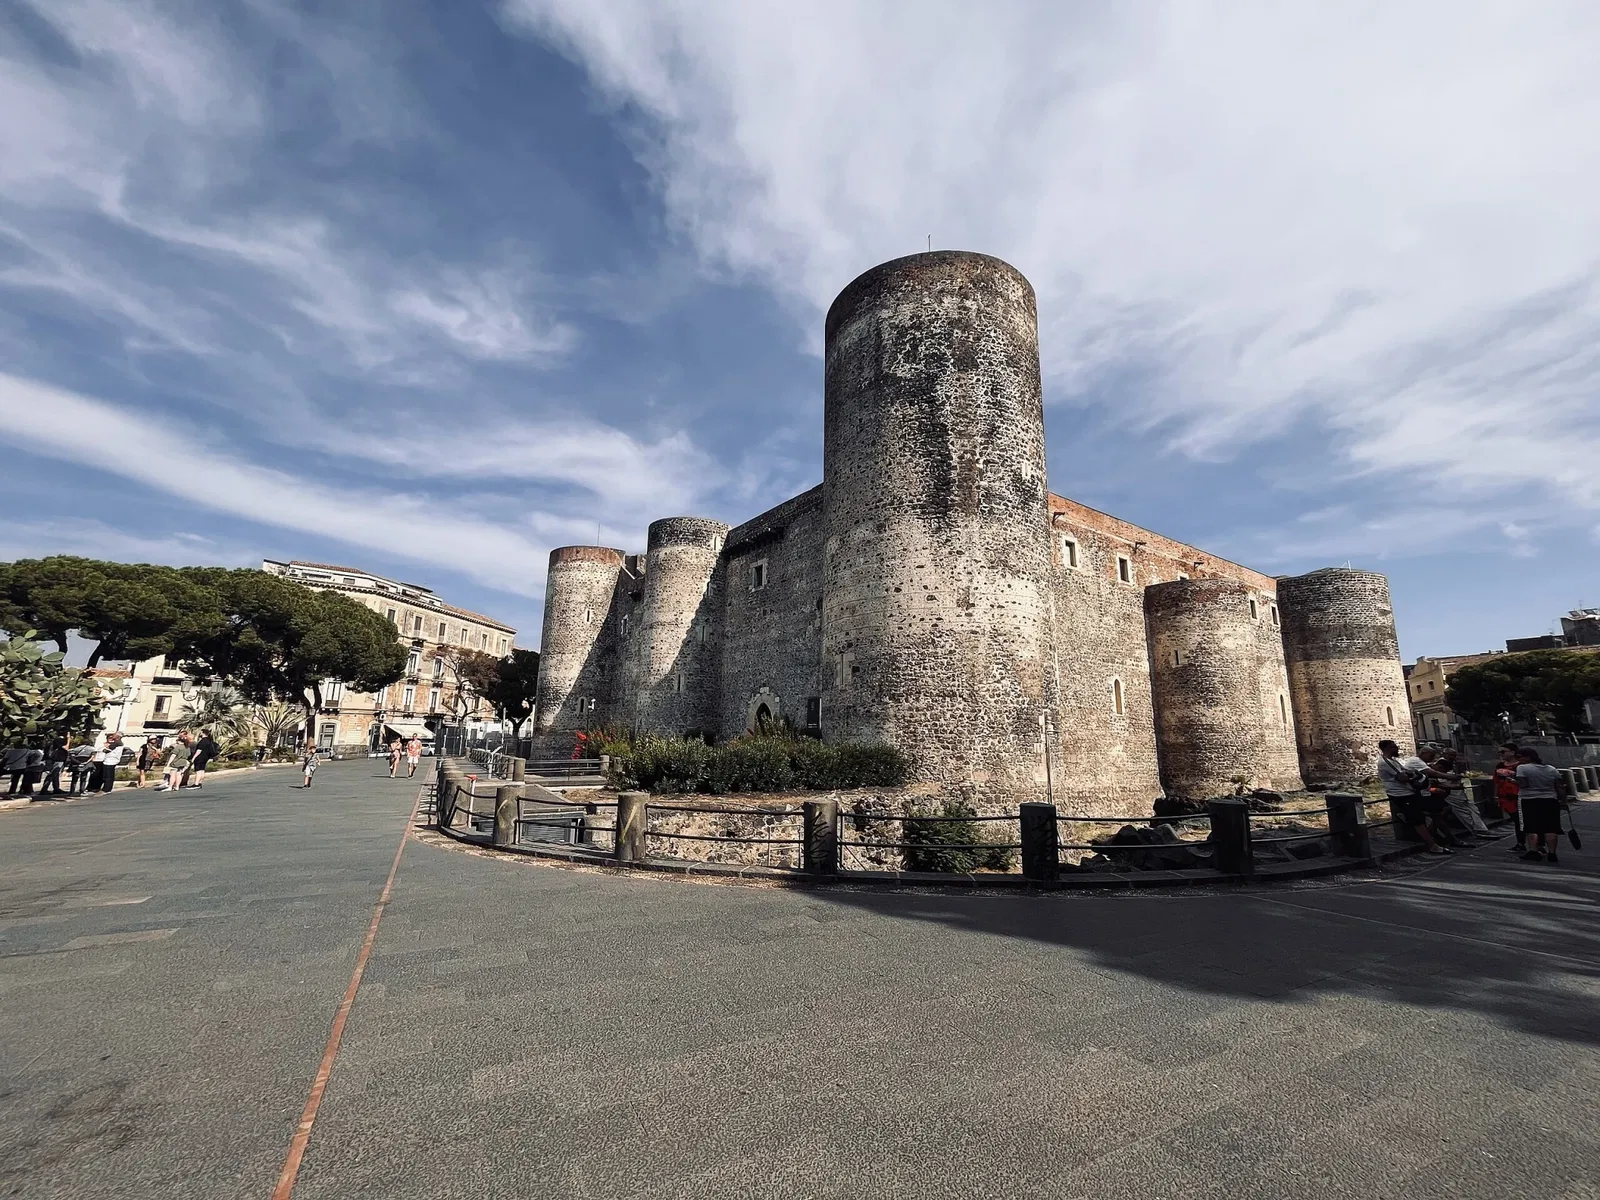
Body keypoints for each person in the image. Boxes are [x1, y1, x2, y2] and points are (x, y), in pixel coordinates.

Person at [1376, 740, 1451, 854]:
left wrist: (1414, 774)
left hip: (1409, 793)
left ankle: (1432, 838)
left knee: (1431, 812)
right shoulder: (1386, 762)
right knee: (1417, 820)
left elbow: (1407, 772)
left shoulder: (1394, 761)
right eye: (1394, 747)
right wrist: (1417, 777)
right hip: (1402, 794)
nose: (1397, 748)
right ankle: (1432, 845)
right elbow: (1403, 777)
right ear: (1386, 748)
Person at [1514, 747, 1565, 863]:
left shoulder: (1522, 768)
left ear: (1527, 757)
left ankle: (1533, 851)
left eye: (1519, 757)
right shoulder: (1551, 769)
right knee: (1551, 828)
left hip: (1529, 800)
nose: (1518, 760)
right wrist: (1563, 801)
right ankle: (1552, 854)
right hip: (1550, 799)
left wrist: (1513, 781)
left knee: (1531, 827)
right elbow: (1560, 786)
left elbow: (1524, 784)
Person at [1429, 748, 1490, 838]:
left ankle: (1481, 828)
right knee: (1463, 810)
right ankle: (1477, 829)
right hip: (1451, 791)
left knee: (1472, 808)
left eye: (1454, 755)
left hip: (1456, 789)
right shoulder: (1441, 764)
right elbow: (1442, 779)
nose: (1453, 757)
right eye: (1451, 755)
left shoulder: (1452, 764)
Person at [1492, 743, 1522, 846]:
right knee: (1516, 819)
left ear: (1512, 752)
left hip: (1520, 795)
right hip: (1505, 797)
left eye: (1503, 752)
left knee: (1521, 820)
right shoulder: (1500, 766)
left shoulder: (1521, 765)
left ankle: (1526, 843)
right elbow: (1496, 781)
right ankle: (1521, 842)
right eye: (1499, 752)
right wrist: (1496, 796)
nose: (1501, 754)